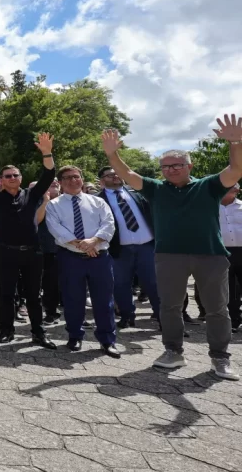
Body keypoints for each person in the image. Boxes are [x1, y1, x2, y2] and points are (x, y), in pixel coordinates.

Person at [103, 116, 242, 379]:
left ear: (189, 165)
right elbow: (127, 174)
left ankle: (220, 358)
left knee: (216, 309)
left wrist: (235, 141)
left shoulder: (208, 185)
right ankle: (173, 352)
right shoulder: (155, 189)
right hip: (169, 257)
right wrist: (113, 155)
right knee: (169, 307)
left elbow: (236, 170)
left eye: (177, 165)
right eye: (165, 166)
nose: (171, 170)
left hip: (210, 255)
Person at [0, 135, 57, 348]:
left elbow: (49, 175)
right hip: (6, 253)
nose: (11, 178)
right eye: (7, 176)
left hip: (32, 253)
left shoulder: (32, 194)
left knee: (33, 296)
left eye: (15, 175)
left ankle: (38, 333)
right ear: (1, 180)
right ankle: (6, 330)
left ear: (20, 177)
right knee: (7, 293)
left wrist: (47, 152)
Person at [45, 166, 120, 357]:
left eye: (76, 177)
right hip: (70, 258)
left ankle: (107, 340)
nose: (73, 180)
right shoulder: (53, 205)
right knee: (73, 299)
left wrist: (94, 242)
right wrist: (84, 246)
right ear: (60, 182)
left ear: (82, 178)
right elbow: (57, 230)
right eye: (67, 178)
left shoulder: (98, 202)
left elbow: (109, 224)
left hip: (100, 258)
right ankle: (75, 337)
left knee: (104, 301)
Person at [98, 165, 159, 329]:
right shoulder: (98, 200)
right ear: (102, 181)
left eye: (117, 173)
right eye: (110, 175)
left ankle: (162, 317)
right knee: (121, 284)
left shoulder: (137, 194)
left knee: (153, 283)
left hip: (146, 246)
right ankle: (127, 316)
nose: (115, 176)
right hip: (119, 249)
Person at [37, 180, 62, 325]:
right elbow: (36, 220)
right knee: (50, 284)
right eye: (50, 181)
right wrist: (46, 200)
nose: (55, 182)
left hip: (72, 249)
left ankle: (79, 315)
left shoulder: (69, 200)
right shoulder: (38, 202)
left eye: (56, 181)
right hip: (47, 250)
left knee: (73, 284)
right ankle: (51, 313)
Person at [220, 184, 242, 332]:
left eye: (232, 189)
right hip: (221, 252)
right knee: (228, 289)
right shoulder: (211, 207)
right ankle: (233, 320)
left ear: (237, 191)